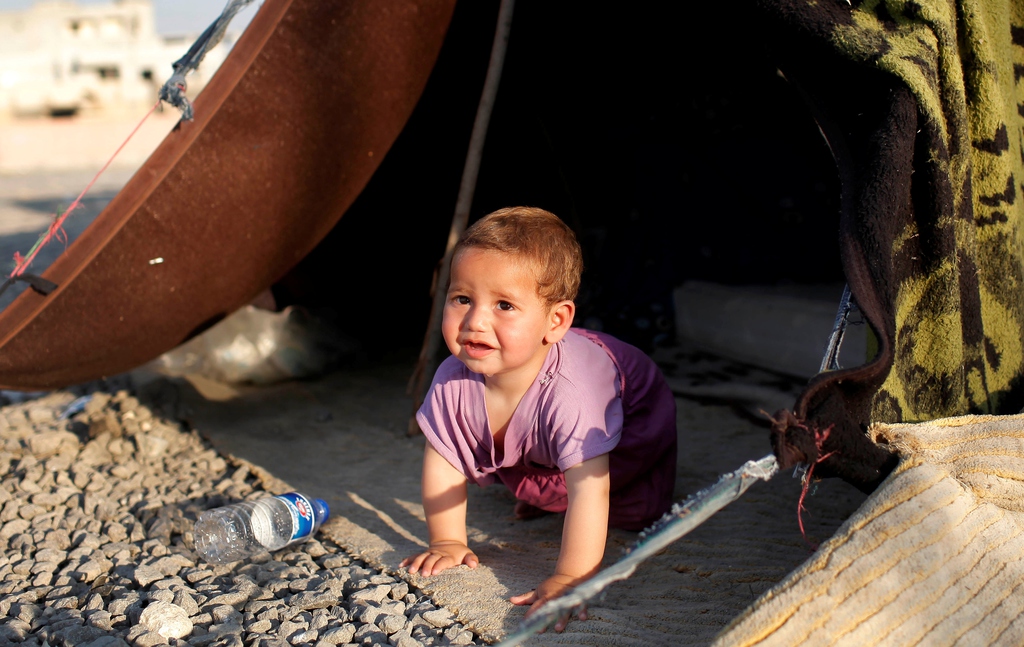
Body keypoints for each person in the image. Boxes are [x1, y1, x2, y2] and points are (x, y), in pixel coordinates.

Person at [401, 206, 677, 629]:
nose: (475, 321)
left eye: (504, 305)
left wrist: (571, 576)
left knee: (628, 507)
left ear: (556, 320)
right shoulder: (451, 377)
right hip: (547, 420)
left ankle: (556, 483)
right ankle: (545, 480)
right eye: (462, 299)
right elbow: (443, 460)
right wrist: (448, 540)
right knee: (538, 478)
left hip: (632, 421)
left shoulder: (574, 395)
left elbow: (590, 491)